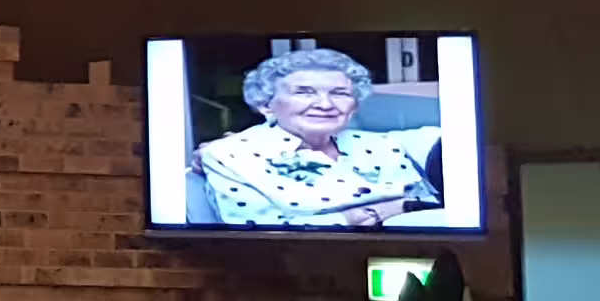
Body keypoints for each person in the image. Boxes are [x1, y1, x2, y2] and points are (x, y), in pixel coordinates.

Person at [186, 46, 441, 228]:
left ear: (354, 106)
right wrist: (361, 216)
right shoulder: (230, 155)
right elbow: (256, 230)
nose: (325, 104)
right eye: (304, 92)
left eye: (340, 93)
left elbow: (429, 203)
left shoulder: (383, 145)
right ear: (266, 104)